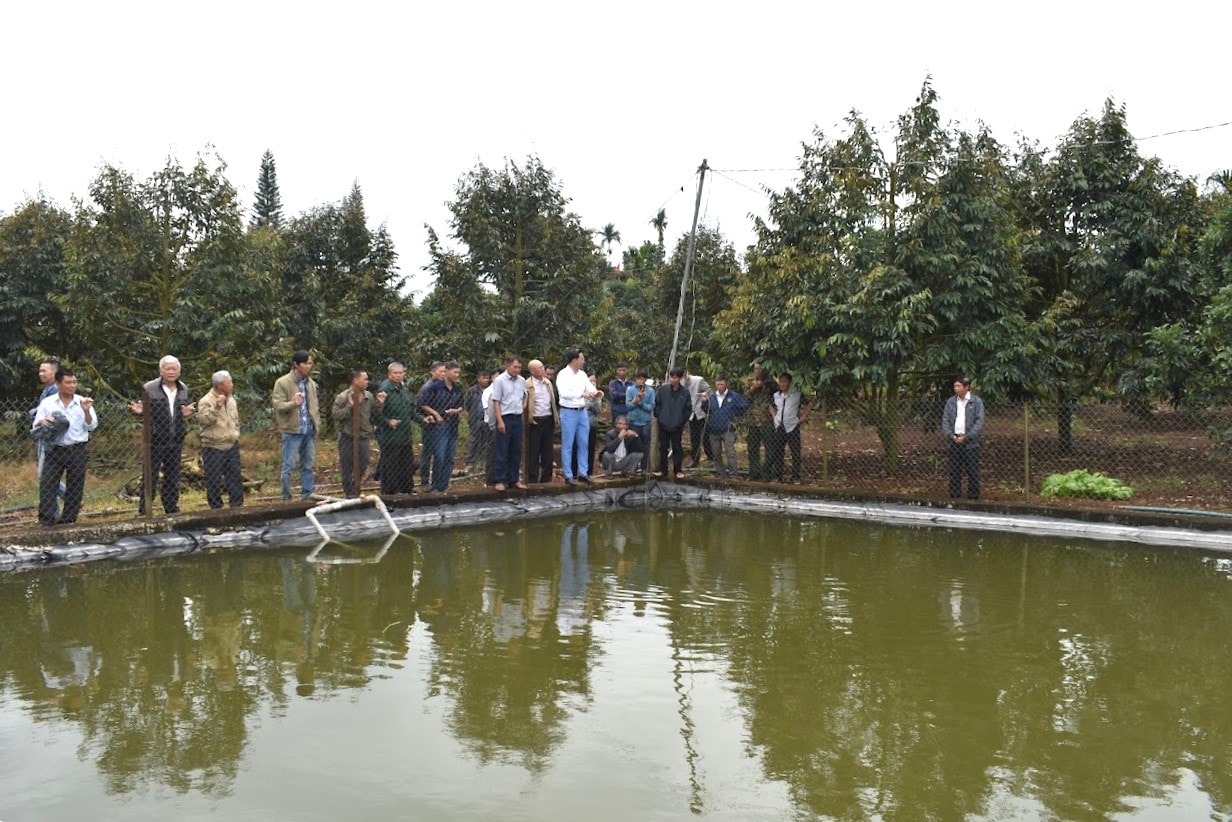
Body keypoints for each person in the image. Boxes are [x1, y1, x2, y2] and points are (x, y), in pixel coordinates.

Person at [129, 355, 195, 515]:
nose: (171, 372)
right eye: (168, 368)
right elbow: (143, 410)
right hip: (155, 440)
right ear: (161, 371)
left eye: (174, 369)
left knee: (173, 476)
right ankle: (145, 510)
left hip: (176, 439)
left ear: (179, 372)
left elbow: (180, 412)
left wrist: (185, 414)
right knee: (150, 476)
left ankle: (171, 508)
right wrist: (141, 412)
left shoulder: (183, 389)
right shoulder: (149, 388)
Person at [32, 368, 97, 526]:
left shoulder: (82, 401)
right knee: (48, 484)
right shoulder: (48, 402)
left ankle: (68, 520)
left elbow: (92, 426)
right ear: (58, 384)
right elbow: (36, 425)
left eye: (74, 382)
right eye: (68, 382)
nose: (72, 386)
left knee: (76, 485)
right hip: (55, 449)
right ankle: (46, 520)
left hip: (77, 449)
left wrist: (86, 412)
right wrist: (43, 421)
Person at [272, 350, 320, 501]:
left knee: (308, 466)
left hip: (308, 431)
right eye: (306, 363)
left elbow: (315, 408)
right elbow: (278, 406)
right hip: (292, 431)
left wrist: (316, 427)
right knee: (288, 467)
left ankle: (307, 496)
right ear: (296, 364)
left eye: (310, 363)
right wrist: (293, 403)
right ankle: (286, 498)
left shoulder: (311, 383)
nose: (309, 366)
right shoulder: (282, 382)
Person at [332, 369, 384, 498]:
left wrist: (380, 404)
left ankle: (356, 487)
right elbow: (336, 415)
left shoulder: (368, 396)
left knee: (363, 463)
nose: (367, 382)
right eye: (365, 379)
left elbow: (374, 413)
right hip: (347, 436)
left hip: (363, 437)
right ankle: (349, 493)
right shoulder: (343, 397)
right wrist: (350, 406)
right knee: (347, 466)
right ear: (355, 380)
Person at [197, 370, 244, 509]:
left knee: (235, 477)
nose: (232, 384)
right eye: (229, 382)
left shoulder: (231, 399)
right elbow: (204, 420)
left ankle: (237, 506)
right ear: (219, 385)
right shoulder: (205, 401)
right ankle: (216, 508)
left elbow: (235, 421)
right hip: (213, 446)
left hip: (232, 444)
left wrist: (236, 433)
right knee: (213, 479)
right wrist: (216, 407)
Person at [556, 348, 602, 487]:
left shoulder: (582, 375)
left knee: (584, 442)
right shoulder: (563, 374)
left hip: (582, 412)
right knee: (568, 444)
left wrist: (596, 393)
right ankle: (568, 475)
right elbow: (564, 393)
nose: (583, 361)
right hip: (568, 411)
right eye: (582, 358)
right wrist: (581, 394)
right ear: (574, 359)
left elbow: (590, 388)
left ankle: (583, 472)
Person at [376, 362, 423, 496]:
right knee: (391, 465)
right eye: (395, 373)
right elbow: (376, 413)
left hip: (405, 435)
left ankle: (406, 489)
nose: (398, 375)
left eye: (400, 373)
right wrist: (388, 421)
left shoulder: (405, 389)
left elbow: (411, 410)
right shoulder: (385, 389)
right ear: (389, 374)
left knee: (406, 463)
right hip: (390, 436)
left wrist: (423, 419)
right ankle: (390, 492)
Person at [417, 361, 464, 493]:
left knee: (450, 457)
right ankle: (434, 485)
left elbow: (462, 405)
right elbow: (422, 404)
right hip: (438, 426)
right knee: (439, 456)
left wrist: (456, 411)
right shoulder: (433, 387)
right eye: (455, 372)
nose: (457, 375)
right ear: (447, 371)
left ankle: (444, 484)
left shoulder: (457, 388)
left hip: (453, 425)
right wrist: (436, 414)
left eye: (458, 373)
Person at [30, 358, 66, 518]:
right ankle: (66, 501)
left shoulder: (54, 391)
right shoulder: (47, 390)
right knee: (46, 475)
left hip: (49, 437)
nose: (40, 373)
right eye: (40, 370)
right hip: (45, 435)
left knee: (46, 476)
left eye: (44, 370)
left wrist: (34, 415)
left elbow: (51, 416)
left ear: (54, 372)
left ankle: (61, 506)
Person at [941, 376, 985, 500]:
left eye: (958, 386)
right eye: (955, 386)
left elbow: (979, 422)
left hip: (970, 443)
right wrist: (951, 435)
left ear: (966, 387)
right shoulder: (951, 402)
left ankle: (973, 496)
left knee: (972, 470)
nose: (956, 388)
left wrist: (968, 436)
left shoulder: (976, 402)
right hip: (954, 440)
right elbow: (945, 420)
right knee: (954, 470)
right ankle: (955, 495)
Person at [490, 356, 528, 491]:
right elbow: (496, 401)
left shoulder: (521, 380)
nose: (517, 370)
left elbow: (525, 394)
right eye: (515, 367)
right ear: (508, 365)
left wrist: (523, 405)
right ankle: (499, 480)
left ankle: (514, 479)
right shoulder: (500, 381)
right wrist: (500, 421)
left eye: (519, 367)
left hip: (518, 418)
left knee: (516, 450)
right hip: (505, 417)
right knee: (502, 450)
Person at [706, 375, 750, 478]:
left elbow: (744, 405)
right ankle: (720, 473)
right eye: (718, 384)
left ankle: (733, 474)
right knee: (716, 453)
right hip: (713, 429)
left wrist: (734, 416)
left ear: (726, 384)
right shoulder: (712, 397)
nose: (719, 386)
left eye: (721, 384)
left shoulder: (733, 396)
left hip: (728, 429)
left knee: (730, 452)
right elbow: (706, 410)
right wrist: (704, 401)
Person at [525, 359, 559, 483]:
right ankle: (532, 478)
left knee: (548, 449)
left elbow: (553, 402)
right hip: (535, 420)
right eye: (539, 368)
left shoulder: (547, 383)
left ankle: (547, 477)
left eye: (542, 367)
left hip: (548, 418)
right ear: (532, 371)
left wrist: (555, 417)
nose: (542, 370)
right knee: (534, 450)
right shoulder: (527, 384)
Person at [654, 367, 691, 479]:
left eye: (675, 377)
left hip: (677, 426)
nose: (672, 379)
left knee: (677, 448)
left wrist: (680, 422)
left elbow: (687, 410)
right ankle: (663, 470)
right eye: (671, 377)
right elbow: (657, 405)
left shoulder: (685, 393)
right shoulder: (663, 390)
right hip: (663, 425)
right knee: (663, 448)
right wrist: (660, 417)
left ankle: (678, 470)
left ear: (680, 378)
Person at [770, 372, 804, 483]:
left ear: (789, 383)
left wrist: (803, 417)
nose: (782, 384)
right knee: (778, 452)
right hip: (779, 426)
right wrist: (774, 416)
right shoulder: (776, 395)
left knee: (795, 452)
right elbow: (771, 405)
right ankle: (778, 476)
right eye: (781, 382)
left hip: (792, 426)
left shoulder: (796, 394)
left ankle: (796, 477)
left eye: (785, 382)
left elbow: (809, 403)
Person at [745, 364, 776, 481]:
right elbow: (746, 398)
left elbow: (777, 396)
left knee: (770, 449)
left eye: (760, 368)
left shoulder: (771, 383)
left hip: (767, 420)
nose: (757, 371)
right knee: (752, 448)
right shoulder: (750, 382)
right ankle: (754, 472)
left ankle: (767, 473)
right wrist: (753, 388)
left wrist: (764, 385)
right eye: (756, 368)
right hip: (753, 420)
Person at [418, 361, 446, 486]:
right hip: (430, 425)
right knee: (427, 454)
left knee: (440, 454)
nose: (443, 374)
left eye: (445, 371)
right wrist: (435, 414)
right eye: (441, 371)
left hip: (443, 425)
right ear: (433, 372)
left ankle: (437, 480)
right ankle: (424, 481)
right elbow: (422, 405)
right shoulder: (427, 387)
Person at [625, 370, 655, 473]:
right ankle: (632, 468)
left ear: (645, 380)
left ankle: (644, 467)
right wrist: (636, 400)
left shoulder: (650, 391)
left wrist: (641, 403)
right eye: (638, 378)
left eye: (642, 379)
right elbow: (628, 406)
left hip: (645, 422)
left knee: (645, 445)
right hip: (633, 421)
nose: (640, 381)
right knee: (633, 444)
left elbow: (650, 407)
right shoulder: (630, 390)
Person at [463, 369, 492, 476]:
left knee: (485, 440)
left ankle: (482, 461)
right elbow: (467, 404)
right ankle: (470, 462)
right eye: (483, 378)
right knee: (473, 440)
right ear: (478, 379)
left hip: (487, 419)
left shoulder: (491, 390)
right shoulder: (472, 391)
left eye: (487, 378)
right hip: (475, 419)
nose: (486, 380)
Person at [683, 368, 713, 469]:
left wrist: (705, 398)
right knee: (694, 439)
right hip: (692, 414)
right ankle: (695, 460)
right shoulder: (681, 384)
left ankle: (711, 458)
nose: (683, 378)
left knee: (706, 437)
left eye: (684, 376)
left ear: (687, 374)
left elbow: (710, 392)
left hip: (702, 412)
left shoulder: (698, 380)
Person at [479, 366, 501, 485]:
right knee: (492, 452)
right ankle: (490, 479)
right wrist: (494, 425)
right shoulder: (489, 391)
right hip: (491, 425)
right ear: (492, 377)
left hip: (503, 424)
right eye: (497, 376)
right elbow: (489, 411)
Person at [579, 372, 604, 475]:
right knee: (580, 447)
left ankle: (589, 472)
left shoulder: (598, 395)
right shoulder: (580, 392)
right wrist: (588, 404)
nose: (593, 383)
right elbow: (581, 406)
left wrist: (594, 400)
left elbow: (598, 410)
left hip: (592, 424)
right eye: (590, 381)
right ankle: (579, 471)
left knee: (590, 447)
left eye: (594, 381)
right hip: (580, 424)